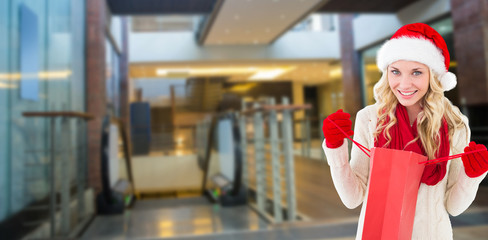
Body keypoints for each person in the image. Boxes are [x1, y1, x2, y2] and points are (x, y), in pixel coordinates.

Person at [321, 23, 488, 239]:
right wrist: (336, 149)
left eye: (416, 72)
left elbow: (454, 207)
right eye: (396, 72)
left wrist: (472, 176)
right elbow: (352, 198)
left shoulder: (455, 124)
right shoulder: (370, 119)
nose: (404, 84)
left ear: (434, 76)